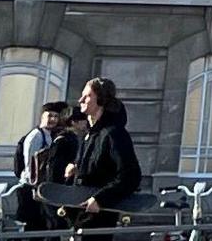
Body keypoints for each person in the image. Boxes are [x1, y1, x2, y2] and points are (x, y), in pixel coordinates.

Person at [70, 80, 143, 231]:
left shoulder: (114, 134)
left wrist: (100, 199)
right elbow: (96, 168)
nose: (80, 100)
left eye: (87, 96)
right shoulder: (90, 134)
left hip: (100, 215)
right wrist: (77, 169)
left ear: (101, 100)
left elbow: (130, 175)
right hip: (81, 212)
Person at [16, 101, 81, 232]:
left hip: (40, 187)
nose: (53, 120)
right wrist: (37, 187)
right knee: (33, 227)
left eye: (56, 117)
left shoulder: (50, 135)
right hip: (31, 188)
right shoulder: (36, 136)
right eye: (49, 116)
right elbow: (31, 166)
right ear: (42, 117)